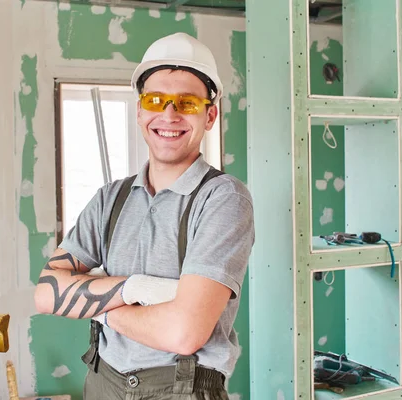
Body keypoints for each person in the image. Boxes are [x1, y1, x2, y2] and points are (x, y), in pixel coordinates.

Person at [34, 32, 255, 400]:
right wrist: (140, 290)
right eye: (156, 100)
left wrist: (99, 306)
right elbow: (45, 293)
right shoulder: (110, 199)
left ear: (210, 115)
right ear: (139, 111)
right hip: (102, 381)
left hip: (179, 389)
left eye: (186, 103)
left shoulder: (223, 199)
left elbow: (184, 333)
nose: (169, 114)